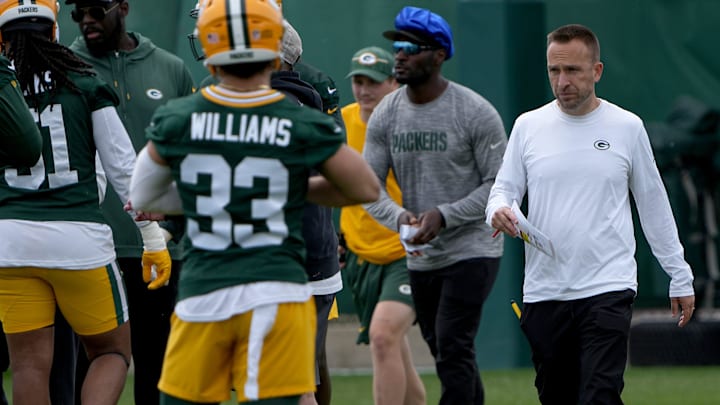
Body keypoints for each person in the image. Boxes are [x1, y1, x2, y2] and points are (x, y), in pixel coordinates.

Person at [129, 0, 380, 403]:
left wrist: (211, 196)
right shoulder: (300, 118)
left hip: (205, 290)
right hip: (277, 291)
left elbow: (142, 194)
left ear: (211, 52)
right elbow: (365, 187)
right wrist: (288, 185)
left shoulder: (180, 117)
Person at [486, 23, 696, 405]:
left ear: (596, 71)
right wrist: (497, 210)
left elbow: (653, 205)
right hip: (544, 291)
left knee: (600, 395)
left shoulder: (627, 127)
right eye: (554, 71)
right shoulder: (528, 126)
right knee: (557, 396)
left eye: (573, 70)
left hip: (608, 287)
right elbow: (503, 190)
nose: (562, 81)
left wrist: (679, 275)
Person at [0, 1, 172, 404]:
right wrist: (152, 236)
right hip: (78, 239)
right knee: (111, 351)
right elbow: (124, 169)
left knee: (27, 367)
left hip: (10, 241)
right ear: (54, 30)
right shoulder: (85, 80)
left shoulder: (3, 90)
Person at [362, 6, 507, 405]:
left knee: (452, 343)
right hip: (421, 254)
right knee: (446, 350)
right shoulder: (387, 113)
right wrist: (399, 217)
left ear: (439, 55)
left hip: (473, 247)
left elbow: (499, 185)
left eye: (412, 47)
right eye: (397, 47)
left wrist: (445, 215)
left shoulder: (475, 112)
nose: (400, 56)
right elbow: (367, 184)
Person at [66, 1, 195, 403]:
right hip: (88, 247)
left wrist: (174, 226)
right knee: (82, 370)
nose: (86, 18)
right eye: (77, 11)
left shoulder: (171, 68)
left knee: (156, 369)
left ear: (122, 7)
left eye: (96, 8)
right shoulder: (64, 65)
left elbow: (189, 155)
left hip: (156, 245)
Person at [339, 45, 426, 405]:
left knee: (383, 336)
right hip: (362, 255)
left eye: (374, 81)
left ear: (394, 82)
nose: (364, 90)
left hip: (406, 252)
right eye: (358, 81)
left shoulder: (414, 126)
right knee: (393, 346)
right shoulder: (341, 121)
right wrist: (341, 239)